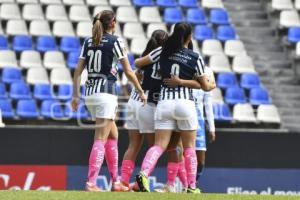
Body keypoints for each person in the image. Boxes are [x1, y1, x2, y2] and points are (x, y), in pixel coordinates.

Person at [134, 22, 216, 193]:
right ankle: (192, 187)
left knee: (159, 146)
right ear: (189, 37)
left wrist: (143, 71)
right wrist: (206, 84)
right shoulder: (195, 57)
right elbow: (204, 86)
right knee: (189, 148)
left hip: (164, 105)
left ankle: (143, 174)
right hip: (185, 105)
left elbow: (138, 62)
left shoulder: (162, 51)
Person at [71, 10, 146, 192]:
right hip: (106, 93)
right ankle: (91, 183)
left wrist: (75, 96)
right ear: (112, 23)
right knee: (100, 139)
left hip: (91, 93)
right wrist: (140, 90)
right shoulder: (116, 41)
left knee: (113, 136)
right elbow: (128, 71)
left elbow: (78, 72)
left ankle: (115, 182)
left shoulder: (88, 41)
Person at [119, 30, 168, 191]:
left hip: (133, 100)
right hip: (148, 101)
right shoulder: (165, 58)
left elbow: (136, 75)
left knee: (133, 145)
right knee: (154, 146)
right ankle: (142, 180)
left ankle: (123, 182)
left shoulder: (145, 56)